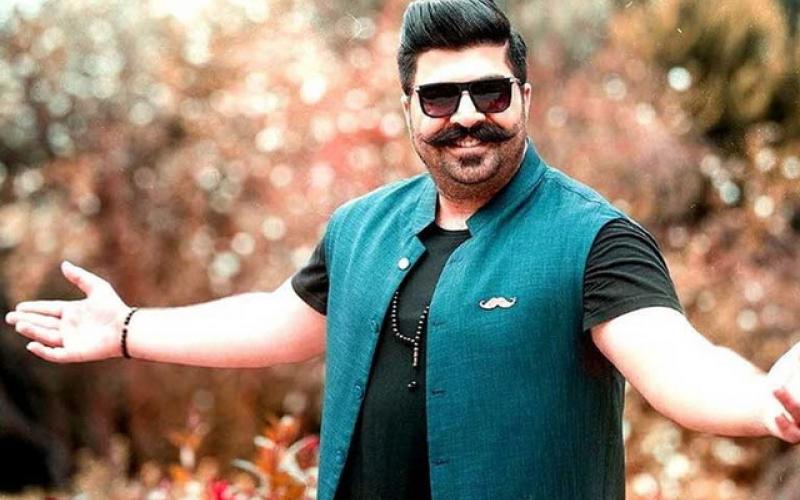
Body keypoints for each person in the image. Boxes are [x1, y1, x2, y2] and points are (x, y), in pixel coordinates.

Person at [4, 0, 800, 498]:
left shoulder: (594, 239)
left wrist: (768, 403)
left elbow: (677, 364)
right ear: (409, 110)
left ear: (525, 97)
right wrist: (128, 329)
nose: (467, 115)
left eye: (490, 92)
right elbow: (280, 319)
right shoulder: (360, 227)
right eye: (440, 96)